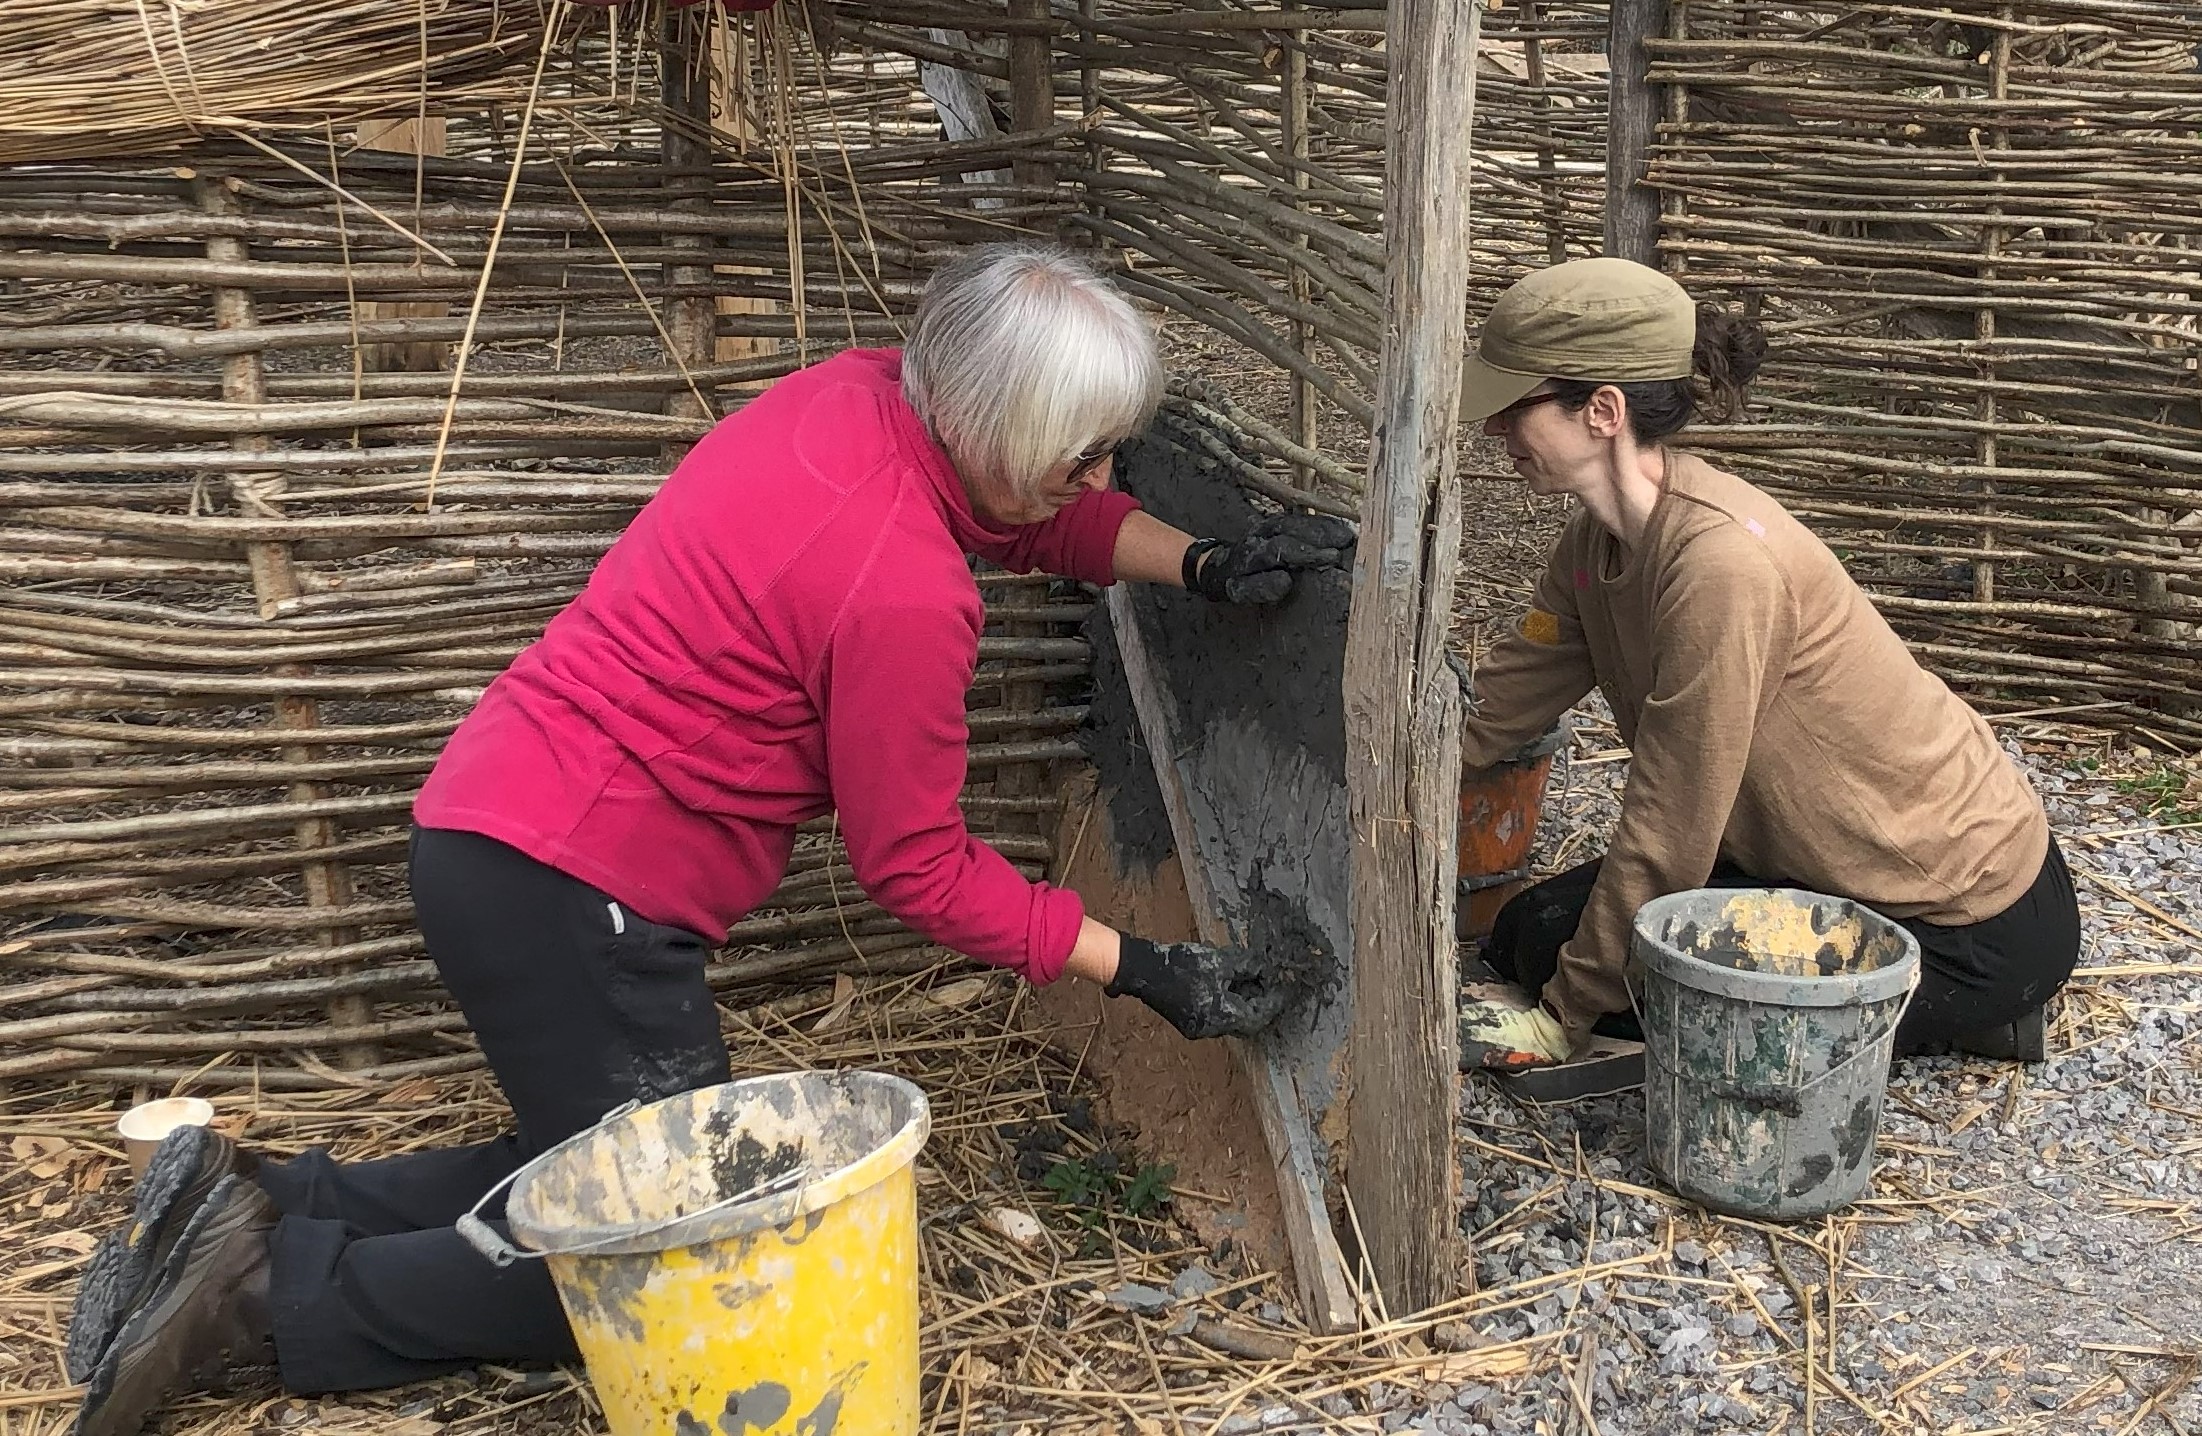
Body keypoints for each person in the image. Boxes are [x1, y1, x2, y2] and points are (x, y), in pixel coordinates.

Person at [67, 244, 1354, 1435]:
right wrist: (1143, 966)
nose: (1102, 480)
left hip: (499, 827)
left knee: (588, 1163)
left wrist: (1200, 562)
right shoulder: (904, 591)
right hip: (580, 891)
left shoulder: (857, 398)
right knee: (659, 1247)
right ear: (996, 425)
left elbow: (1021, 506)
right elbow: (915, 867)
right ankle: (256, 1292)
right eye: (1081, 455)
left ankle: (268, 1199)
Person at [1451, 257, 2080, 1071]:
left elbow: (1672, 823)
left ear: (1602, 411)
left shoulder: (1720, 568)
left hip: (1964, 918)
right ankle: (1881, 1016)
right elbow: (1508, 694)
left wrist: (1563, 1018)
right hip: (1816, 867)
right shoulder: (1594, 544)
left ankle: (1957, 1015)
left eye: (1513, 409)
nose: (1494, 431)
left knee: (1585, 978)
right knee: (1524, 935)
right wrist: (1385, 777)